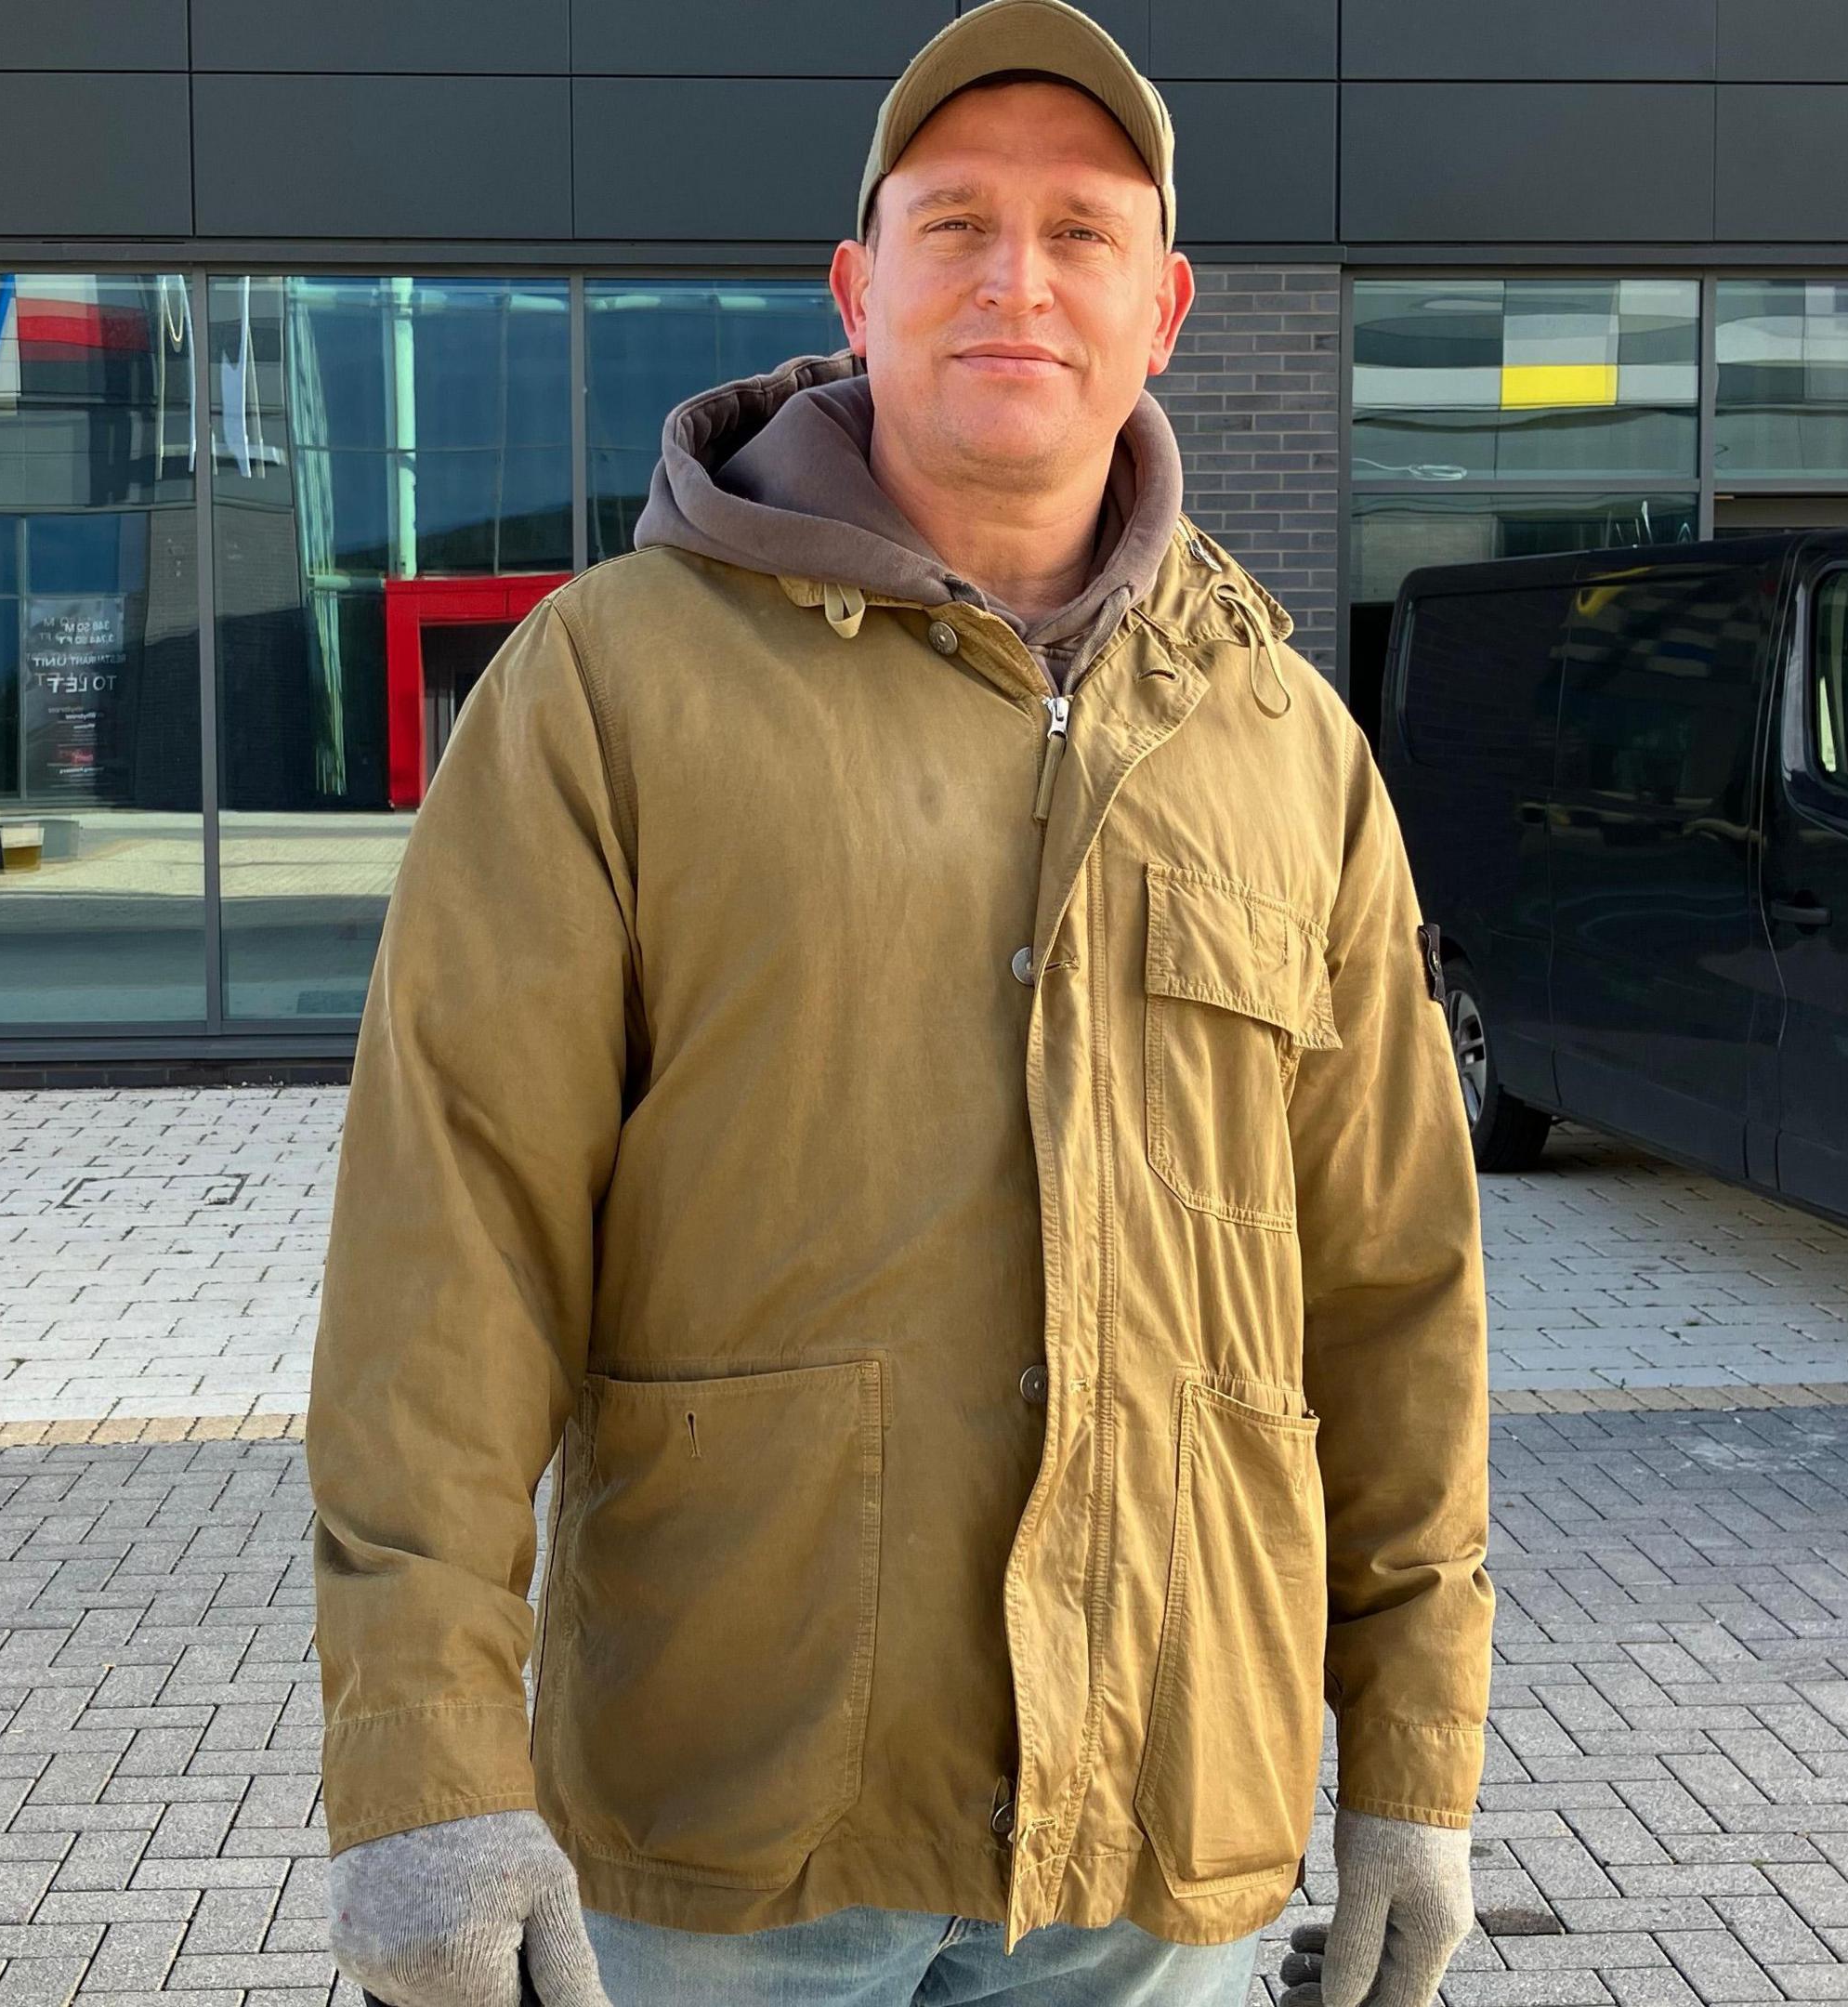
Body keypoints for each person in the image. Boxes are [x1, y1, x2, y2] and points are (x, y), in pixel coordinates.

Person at [306, 5, 1493, 2002]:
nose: (1014, 281)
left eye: (1078, 232)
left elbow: (1393, 1291)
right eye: (954, 227)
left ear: (1167, 306)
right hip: (736, 1825)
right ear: (859, 289)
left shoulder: (1289, 746)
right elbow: (455, 1240)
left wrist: (1415, 1767)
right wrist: (427, 1776)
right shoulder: (611, 692)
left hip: (1153, 1831)